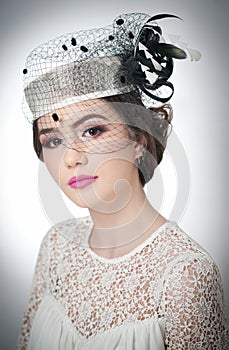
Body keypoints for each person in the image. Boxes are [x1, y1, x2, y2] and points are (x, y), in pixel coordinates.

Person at [17, 12, 228, 349]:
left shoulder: (186, 276)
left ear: (139, 139)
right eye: (53, 140)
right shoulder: (56, 245)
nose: (71, 157)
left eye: (93, 130)